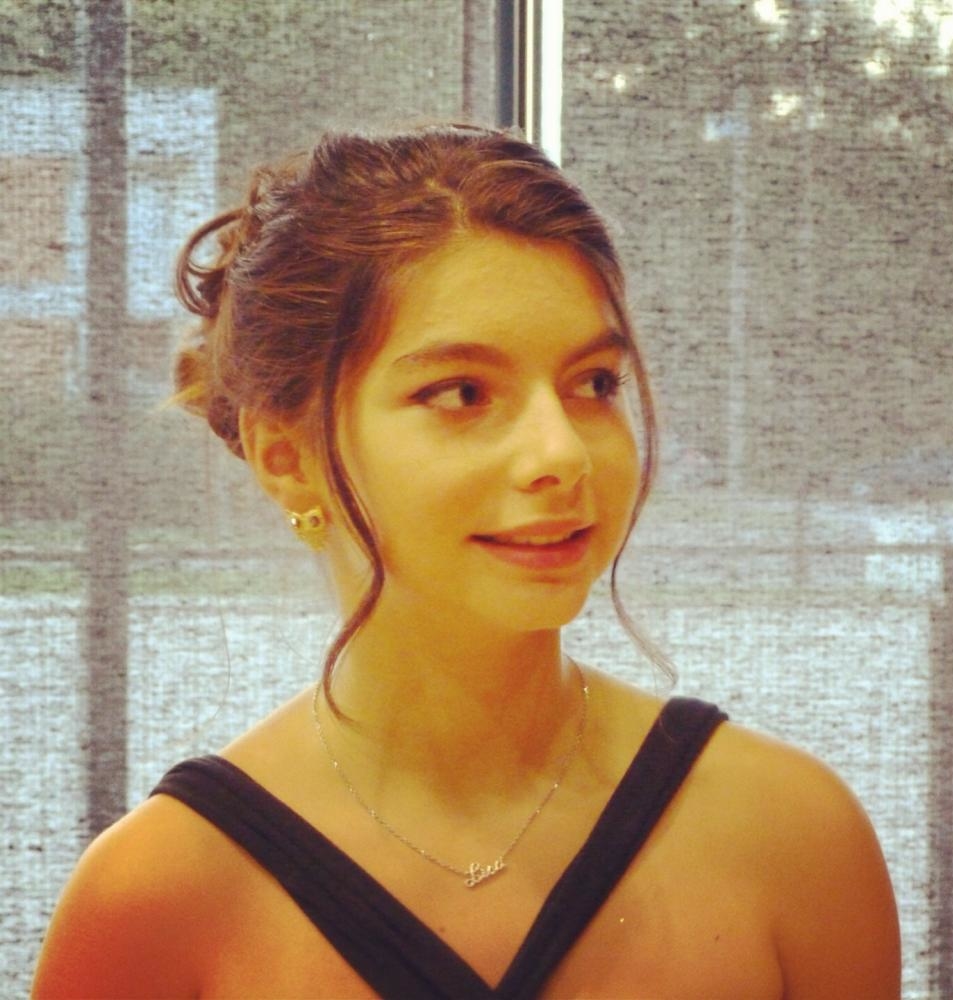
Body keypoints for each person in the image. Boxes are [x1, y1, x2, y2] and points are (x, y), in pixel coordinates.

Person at [32, 124, 900, 999]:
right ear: (287, 456)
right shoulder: (159, 898)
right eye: (462, 393)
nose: (562, 453)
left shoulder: (792, 837)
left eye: (594, 383)